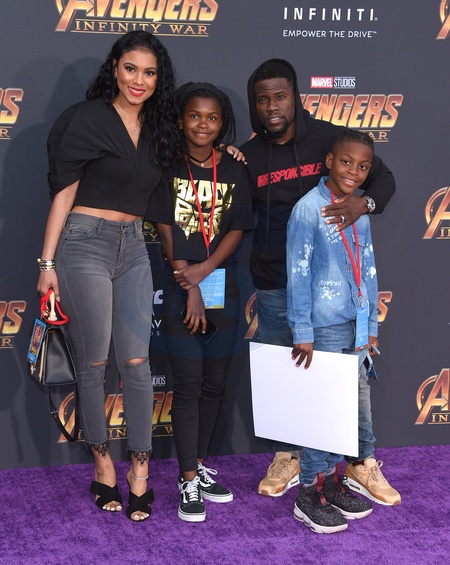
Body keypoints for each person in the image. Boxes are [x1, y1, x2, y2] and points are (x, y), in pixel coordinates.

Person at [37, 30, 183, 521]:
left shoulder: (160, 128)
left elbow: (201, 146)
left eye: (149, 72)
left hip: (135, 247)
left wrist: (236, 152)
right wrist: (47, 264)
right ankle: (103, 466)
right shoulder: (87, 118)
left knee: (137, 364)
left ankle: (140, 471)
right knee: (94, 363)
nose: (139, 80)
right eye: (130, 68)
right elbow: (64, 192)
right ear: (114, 69)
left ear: (158, 79)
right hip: (83, 243)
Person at [241, 58, 400, 506]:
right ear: (254, 104)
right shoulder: (248, 155)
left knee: (345, 382)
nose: (273, 106)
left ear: (296, 96)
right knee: (291, 376)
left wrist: (363, 204)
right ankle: (289, 456)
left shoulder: (330, 139)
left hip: (332, 289)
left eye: (281, 96)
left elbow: (382, 178)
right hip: (276, 284)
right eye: (263, 99)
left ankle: (358, 462)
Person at [151, 82, 253, 522]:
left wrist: (205, 270)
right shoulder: (167, 164)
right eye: (194, 116)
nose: (203, 124)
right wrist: (189, 283)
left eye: (212, 118)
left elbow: (238, 227)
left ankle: (199, 464)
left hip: (222, 285)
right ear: (180, 119)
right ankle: (187, 478)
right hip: (180, 285)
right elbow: (164, 226)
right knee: (189, 384)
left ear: (222, 123)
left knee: (215, 384)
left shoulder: (234, 168)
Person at [287, 129, 379, 533]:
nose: (353, 171)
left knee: (345, 410)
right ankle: (309, 492)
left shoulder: (360, 211)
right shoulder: (308, 209)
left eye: (363, 166)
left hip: (355, 327)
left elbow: (369, 270)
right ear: (328, 161)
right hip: (323, 329)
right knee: (322, 411)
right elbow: (298, 274)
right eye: (346, 162)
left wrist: (370, 324)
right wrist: (302, 330)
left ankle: (333, 481)